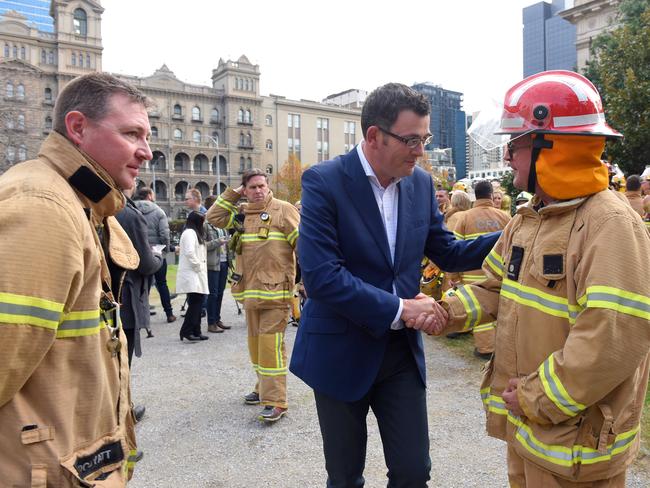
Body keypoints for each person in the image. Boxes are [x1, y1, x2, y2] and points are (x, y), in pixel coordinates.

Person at [437, 70, 650, 487]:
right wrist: (443, 312)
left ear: (552, 147)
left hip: (577, 448)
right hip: (530, 432)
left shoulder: (609, 223)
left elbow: (611, 338)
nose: (506, 158)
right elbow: (493, 288)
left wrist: (537, 397)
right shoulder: (527, 219)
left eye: (514, 145)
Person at [290, 83, 499, 487]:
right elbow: (321, 278)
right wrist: (402, 308)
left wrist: (515, 234)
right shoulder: (324, 182)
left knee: (413, 472)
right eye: (411, 140)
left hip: (399, 354)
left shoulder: (419, 184)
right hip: (340, 350)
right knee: (345, 475)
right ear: (373, 136)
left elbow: (449, 253)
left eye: (425, 139)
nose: (420, 151)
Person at [0, 72, 149, 485]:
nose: (146, 151)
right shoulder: (42, 206)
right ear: (78, 127)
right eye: (132, 133)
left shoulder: (86, 204)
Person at [207, 168, 299, 423]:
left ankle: (276, 401)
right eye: (252, 187)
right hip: (251, 294)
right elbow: (213, 217)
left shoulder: (284, 209)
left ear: (268, 187)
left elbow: (303, 245)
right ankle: (262, 389)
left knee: (271, 349)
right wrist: (233, 193)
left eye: (261, 186)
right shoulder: (242, 214)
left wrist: (308, 282)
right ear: (245, 191)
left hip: (277, 294)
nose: (258, 191)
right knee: (256, 348)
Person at [445, 179, 510, 359]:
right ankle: (497, 346)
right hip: (498, 272)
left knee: (478, 310)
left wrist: (454, 276)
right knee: (499, 310)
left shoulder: (465, 217)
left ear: (476, 195)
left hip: (471, 274)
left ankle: (486, 348)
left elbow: (455, 249)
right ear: (490, 195)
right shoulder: (505, 217)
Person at [134, 186, 177, 323]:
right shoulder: (159, 211)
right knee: (162, 283)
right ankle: (169, 313)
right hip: (157, 252)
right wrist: (165, 250)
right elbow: (164, 234)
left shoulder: (131, 209)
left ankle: (141, 315)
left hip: (139, 253)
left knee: (142, 284)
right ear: (149, 196)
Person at [177, 211, 209, 342]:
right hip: (193, 273)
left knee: (198, 303)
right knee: (196, 304)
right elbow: (189, 252)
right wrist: (198, 266)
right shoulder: (189, 233)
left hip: (196, 273)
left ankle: (196, 330)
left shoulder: (194, 233)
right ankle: (186, 330)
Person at [204, 195, 230, 333]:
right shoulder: (205, 223)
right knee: (213, 294)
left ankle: (217, 319)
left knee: (220, 293)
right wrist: (218, 242)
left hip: (224, 261)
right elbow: (202, 246)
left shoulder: (222, 223)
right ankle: (211, 322)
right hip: (212, 264)